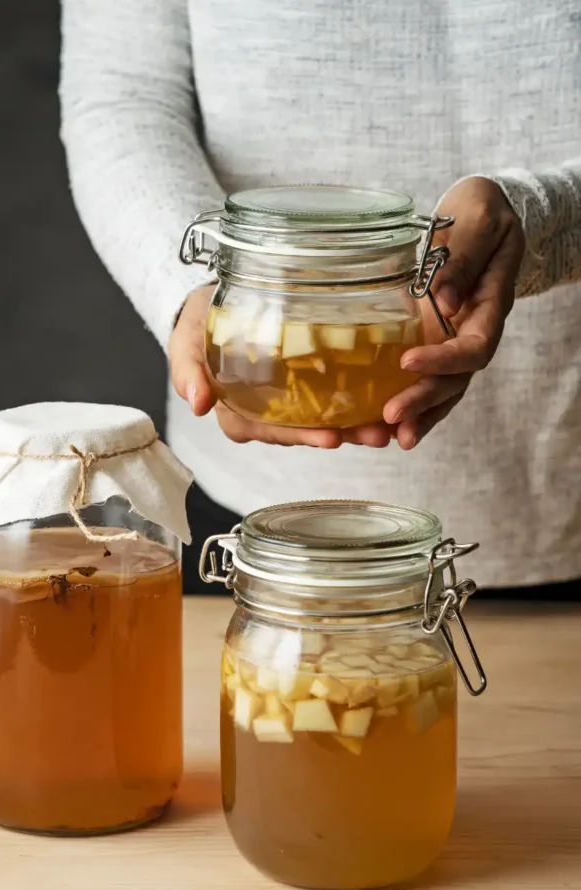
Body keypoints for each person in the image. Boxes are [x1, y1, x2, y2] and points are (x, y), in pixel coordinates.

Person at [60, 2, 581, 596]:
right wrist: (192, 289)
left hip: (567, 482)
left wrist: (543, 212)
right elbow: (122, 96)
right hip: (256, 523)